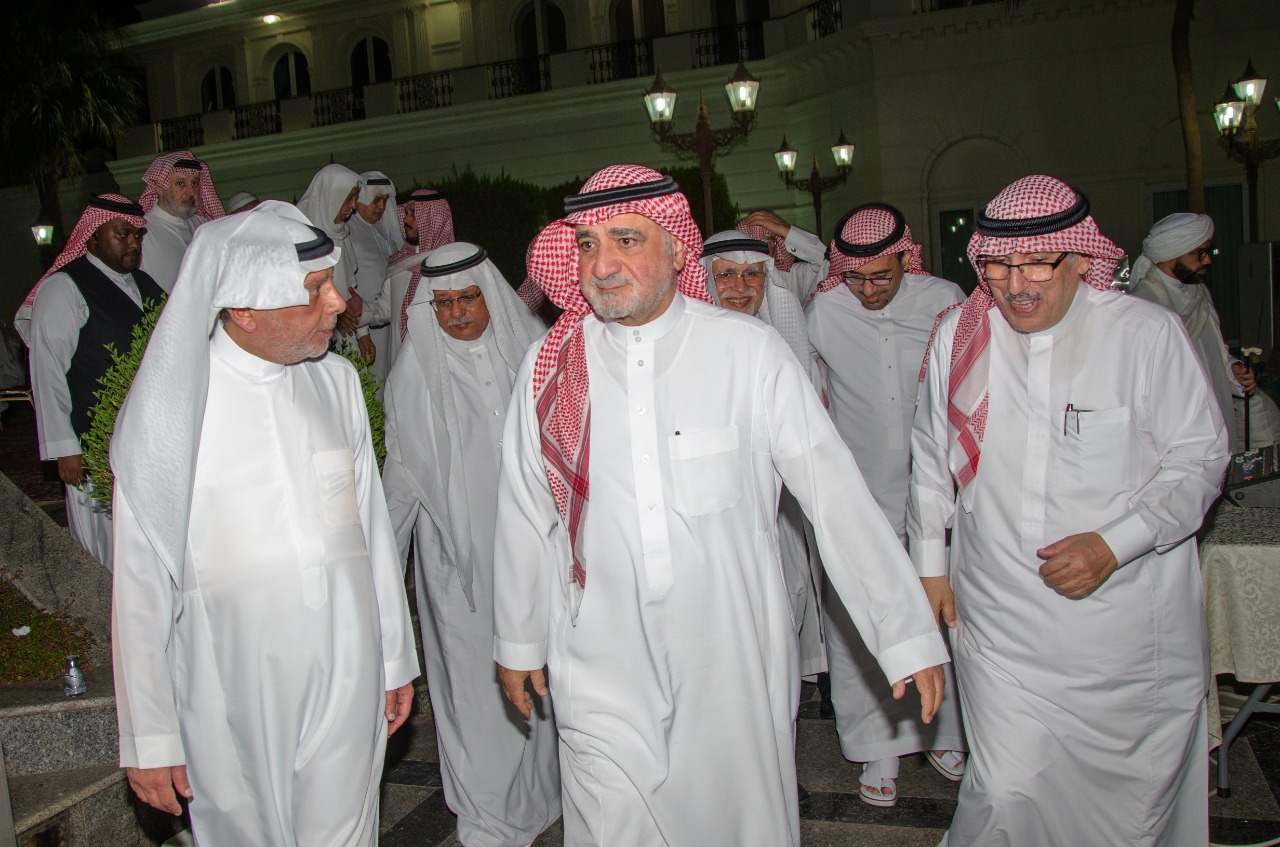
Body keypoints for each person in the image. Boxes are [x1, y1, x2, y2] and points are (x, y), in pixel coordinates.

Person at [492, 164, 950, 846]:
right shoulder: (550, 366)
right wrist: (518, 638)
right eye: (587, 244)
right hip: (598, 653)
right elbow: (525, 510)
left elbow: (834, 495)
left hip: (731, 655)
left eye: (625, 240)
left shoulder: (748, 352)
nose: (602, 264)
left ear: (678, 249)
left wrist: (903, 631)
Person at [908, 175, 1228, 846]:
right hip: (999, 618)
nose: (1014, 284)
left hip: (1120, 630)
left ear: (1082, 258)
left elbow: (1199, 458)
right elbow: (931, 456)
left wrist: (1116, 543)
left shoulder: (1146, 334)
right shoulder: (963, 335)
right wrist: (930, 565)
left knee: (1124, 814)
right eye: (997, 264)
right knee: (1004, 790)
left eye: (1035, 264)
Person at [110, 201, 420, 846]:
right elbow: (139, 586)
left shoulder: (337, 383)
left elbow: (369, 529)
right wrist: (150, 735)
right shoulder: (170, 413)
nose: (338, 303)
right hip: (229, 678)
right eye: (315, 289)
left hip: (347, 662)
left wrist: (394, 656)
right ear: (245, 309)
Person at [382, 242, 558, 847]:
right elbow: (401, 483)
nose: (457, 313)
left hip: (535, 553)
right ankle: (487, 817)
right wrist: (381, 574)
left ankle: (543, 796)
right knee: (474, 687)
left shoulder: (534, 353)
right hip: (460, 565)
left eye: (469, 298)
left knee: (543, 674)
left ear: (493, 298)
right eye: (444, 303)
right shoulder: (415, 374)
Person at [805, 204, 968, 806]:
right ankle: (879, 746)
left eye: (882, 277)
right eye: (856, 278)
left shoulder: (944, 300)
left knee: (944, 612)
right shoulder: (825, 311)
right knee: (861, 620)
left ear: (907, 259)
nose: (869, 290)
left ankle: (945, 733)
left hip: (939, 489)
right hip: (859, 494)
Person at [697, 229, 826, 682]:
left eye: (752, 274)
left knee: (787, 594)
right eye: (726, 275)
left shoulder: (778, 342)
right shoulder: (689, 346)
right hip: (712, 514)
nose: (740, 286)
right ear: (706, 281)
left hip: (779, 503)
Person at [14, 194, 163, 569]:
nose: (133, 243)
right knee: (106, 549)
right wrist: (64, 446)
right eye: (122, 234)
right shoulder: (65, 287)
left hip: (144, 439)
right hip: (91, 444)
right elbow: (47, 368)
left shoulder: (144, 283)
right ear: (93, 236)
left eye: (138, 235)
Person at [1129, 212, 1255, 451]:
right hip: (1174, 430)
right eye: (1199, 253)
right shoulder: (1143, 305)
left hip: (1214, 418)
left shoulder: (1200, 293)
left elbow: (1211, 351)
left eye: (1208, 251)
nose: (1207, 260)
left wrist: (1232, 370)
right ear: (1172, 253)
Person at [364, 188, 457, 370]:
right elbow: (384, 309)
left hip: (444, 364)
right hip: (402, 365)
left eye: (413, 214)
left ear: (431, 218)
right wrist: (359, 311)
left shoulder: (452, 266)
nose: (406, 220)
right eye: (405, 213)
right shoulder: (399, 264)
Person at [296, 162, 370, 357]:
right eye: (349, 198)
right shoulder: (301, 237)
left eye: (355, 197)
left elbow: (350, 289)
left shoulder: (340, 232)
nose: (353, 206)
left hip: (346, 332)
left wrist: (363, 332)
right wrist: (335, 314)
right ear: (332, 197)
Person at [138, 151, 224, 292]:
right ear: (160, 188)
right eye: (180, 183)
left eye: (194, 183)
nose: (190, 192)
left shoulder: (204, 225)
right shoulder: (141, 232)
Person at [348, 171, 404, 378]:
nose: (381, 207)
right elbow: (346, 284)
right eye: (376, 199)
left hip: (388, 321)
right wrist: (362, 331)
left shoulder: (383, 229)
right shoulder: (348, 231)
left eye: (385, 200)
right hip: (359, 326)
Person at [736, 209, 828, 303]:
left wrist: (786, 231)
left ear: (777, 246)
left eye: (767, 243)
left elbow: (830, 264)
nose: (761, 251)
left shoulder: (796, 276)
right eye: (754, 244)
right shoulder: (733, 283)